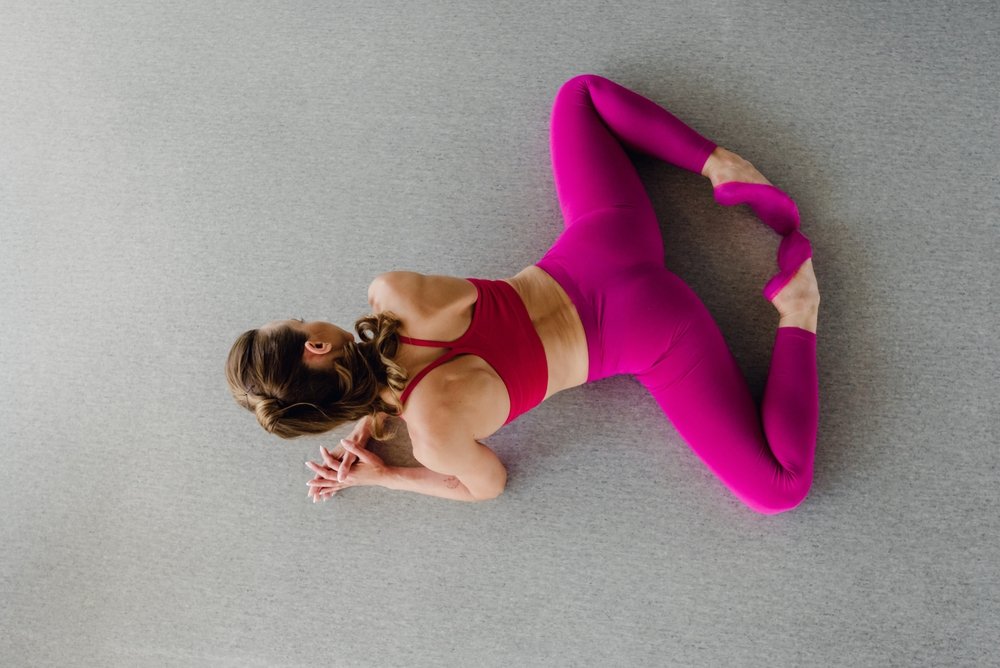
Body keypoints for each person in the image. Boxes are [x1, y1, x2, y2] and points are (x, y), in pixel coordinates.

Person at [225, 74, 821, 514]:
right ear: (318, 347)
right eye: (298, 322)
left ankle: (799, 309)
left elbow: (487, 485)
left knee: (781, 488)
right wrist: (369, 415)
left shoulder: (433, 435)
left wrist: (381, 475)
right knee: (578, 96)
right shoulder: (393, 292)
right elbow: (391, 354)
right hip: (606, 242)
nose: (306, 318)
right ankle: (717, 164)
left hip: (650, 331)